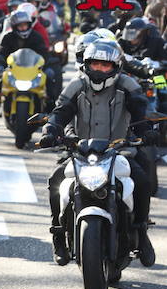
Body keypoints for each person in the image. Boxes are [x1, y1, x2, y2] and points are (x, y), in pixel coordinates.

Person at [38, 39, 155, 267]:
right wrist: (50, 130)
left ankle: (141, 234)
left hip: (119, 152)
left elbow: (141, 110)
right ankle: (58, 235)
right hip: (80, 152)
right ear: (86, 65)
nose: (100, 70)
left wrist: (147, 131)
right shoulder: (76, 85)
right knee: (56, 181)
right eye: (95, 64)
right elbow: (60, 111)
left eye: (105, 65)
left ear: (115, 67)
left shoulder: (127, 85)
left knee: (142, 180)